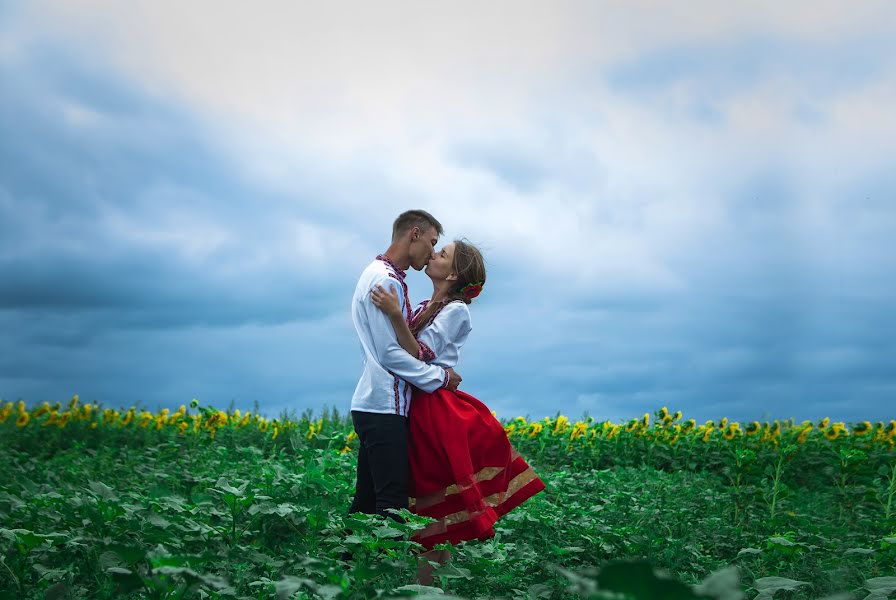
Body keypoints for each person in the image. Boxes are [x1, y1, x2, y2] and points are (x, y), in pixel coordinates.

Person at [371, 239, 545, 584]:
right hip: (423, 402)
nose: (433, 255)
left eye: (442, 253)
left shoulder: (456, 311)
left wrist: (393, 313)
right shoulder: (428, 304)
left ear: (452, 274)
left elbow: (420, 353)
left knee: (434, 502)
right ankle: (433, 586)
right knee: (432, 504)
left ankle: (427, 587)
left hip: (436, 411)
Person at [348, 210, 463, 523]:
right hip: (385, 403)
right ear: (415, 234)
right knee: (392, 505)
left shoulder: (378, 274)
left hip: (374, 401)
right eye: (432, 242)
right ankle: (388, 571)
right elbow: (390, 353)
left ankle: (344, 566)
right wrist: (441, 377)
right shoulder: (387, 282)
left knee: (367, 504)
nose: (431, 254)